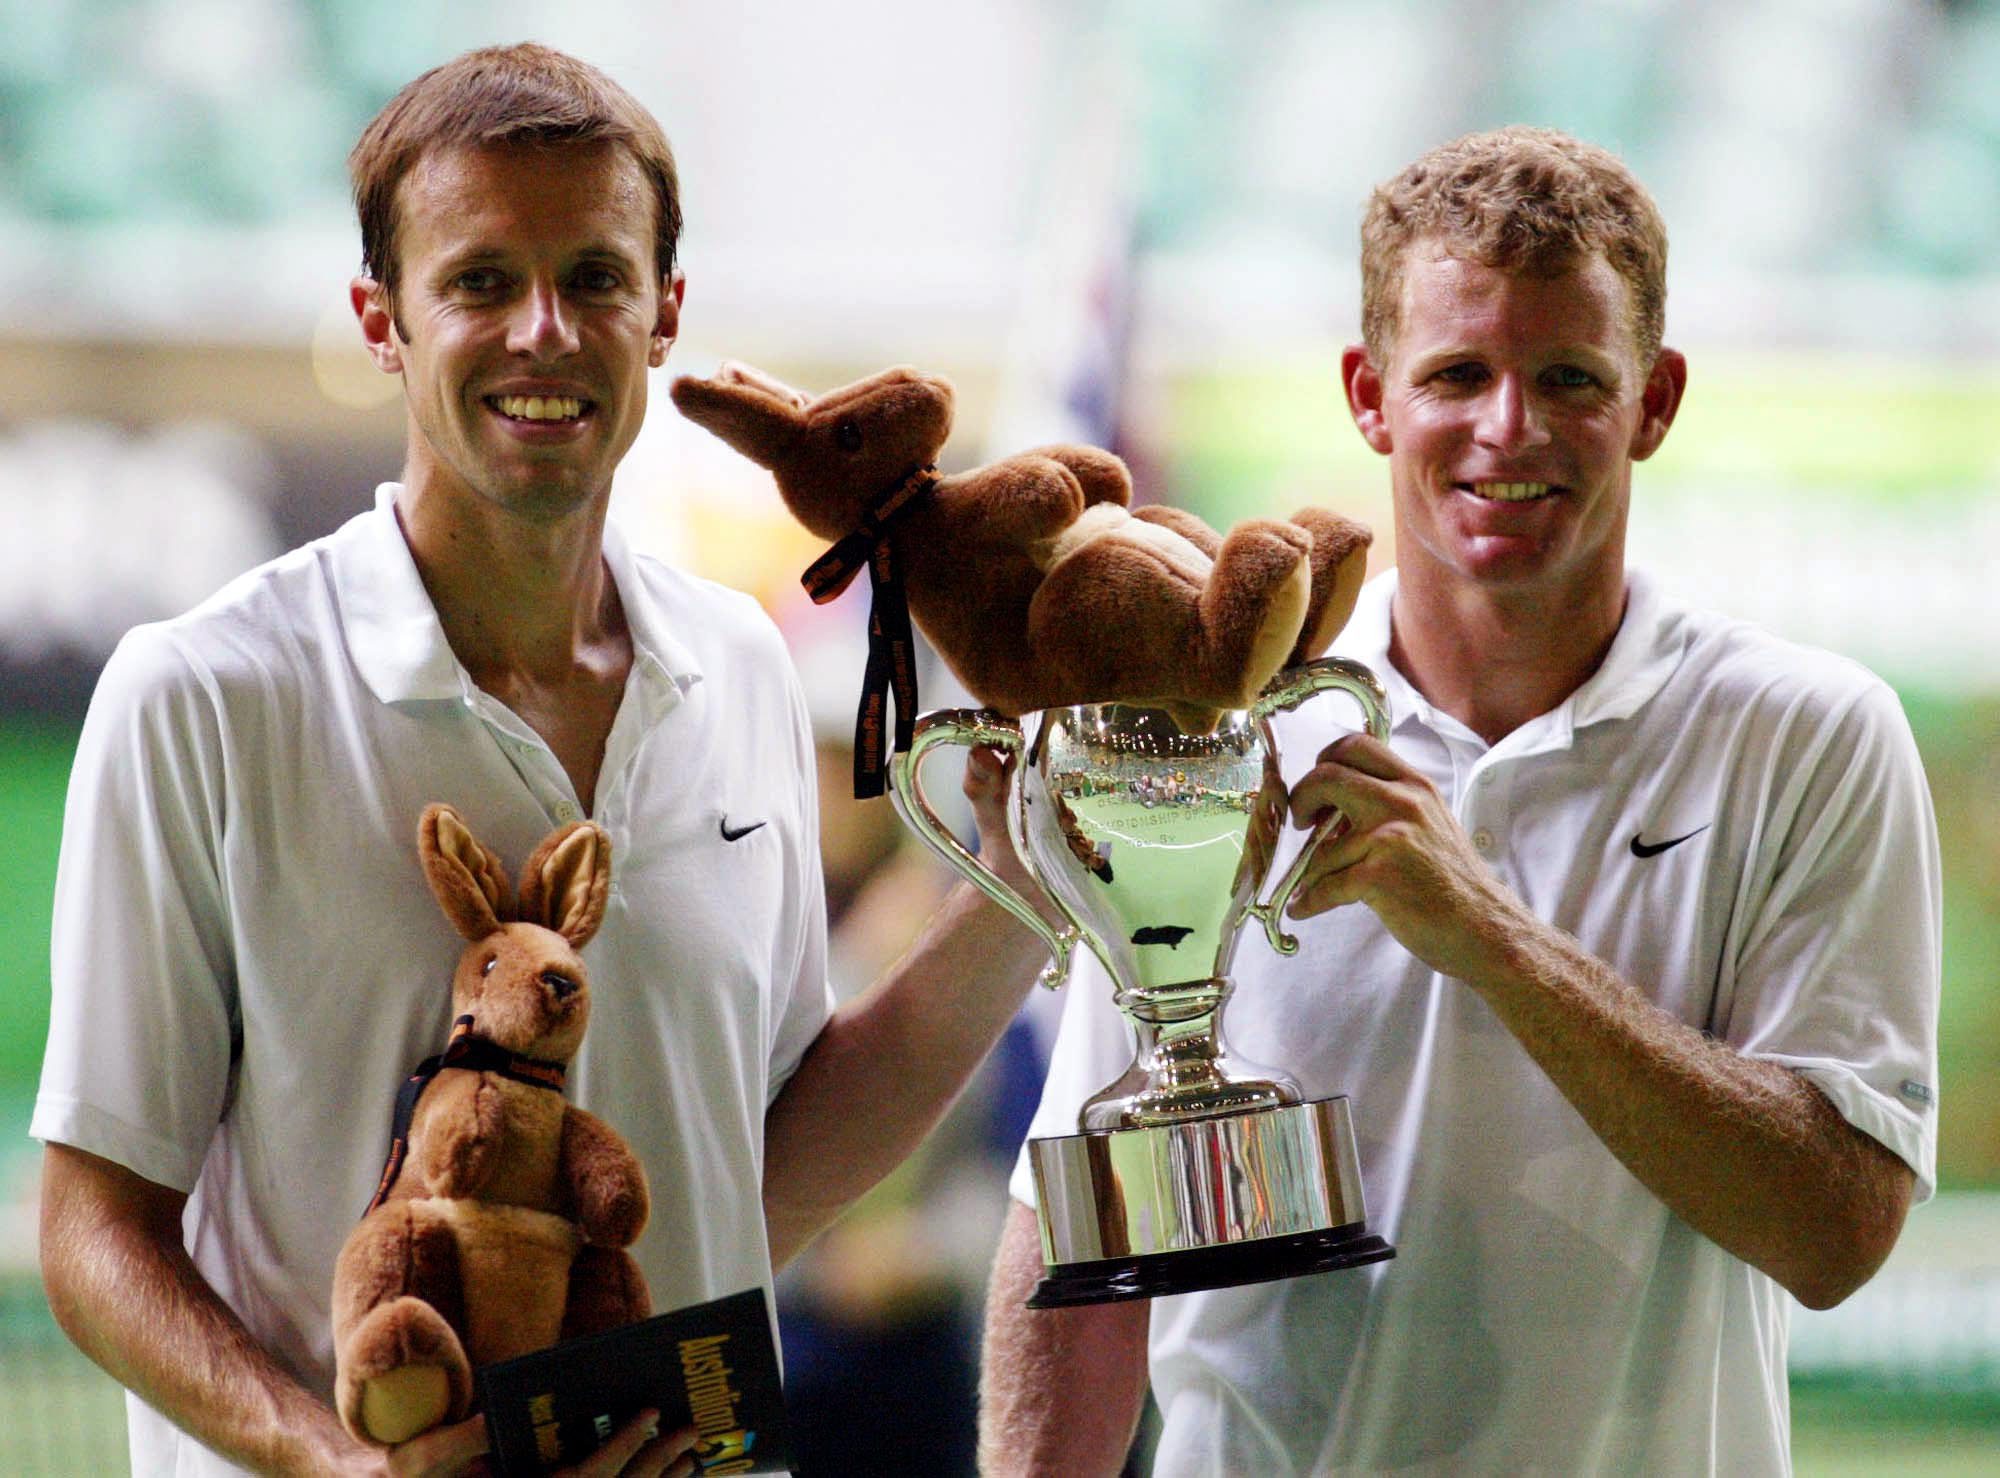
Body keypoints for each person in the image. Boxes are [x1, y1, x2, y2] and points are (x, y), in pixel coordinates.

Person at [33, 43, 1049, 1478]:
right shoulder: (201, 696)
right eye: (481, 282)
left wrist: (1030, 881)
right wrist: (343, 1463)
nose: (545, 333)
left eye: (593, 278)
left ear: (665, 316)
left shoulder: (739, 670)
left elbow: (748, 1172)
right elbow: (89, 1226)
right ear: (381, 322)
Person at [979, 126, 1941, 1476]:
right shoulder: (1224, 726)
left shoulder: (1808, 737)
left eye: (1567, 378)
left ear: (1655, 400)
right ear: (1370, 396)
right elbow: (1085, 1224)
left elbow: (1835, 1232)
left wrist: (1487, 929)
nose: (1510, 428)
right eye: (1456, 375)